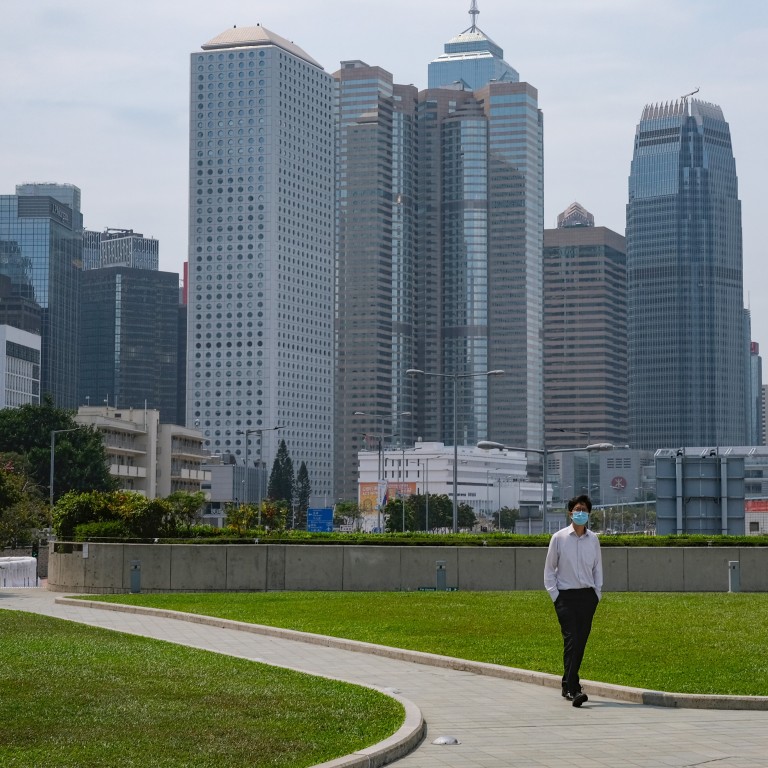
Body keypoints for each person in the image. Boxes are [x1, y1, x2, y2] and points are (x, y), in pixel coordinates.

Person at [543, 494, 602, 707]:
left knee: (581, 642)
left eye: (584, 510)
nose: (580, 513)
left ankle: (567, 682)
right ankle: (573, 689)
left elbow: (597, 569)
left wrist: (597, 594)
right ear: (570, 512)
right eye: (577, 509)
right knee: (572, 640)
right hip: (565, 597)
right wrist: (555, 596)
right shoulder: (558, 538)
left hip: (587, 596)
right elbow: (549, 570)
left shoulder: (593, 539)